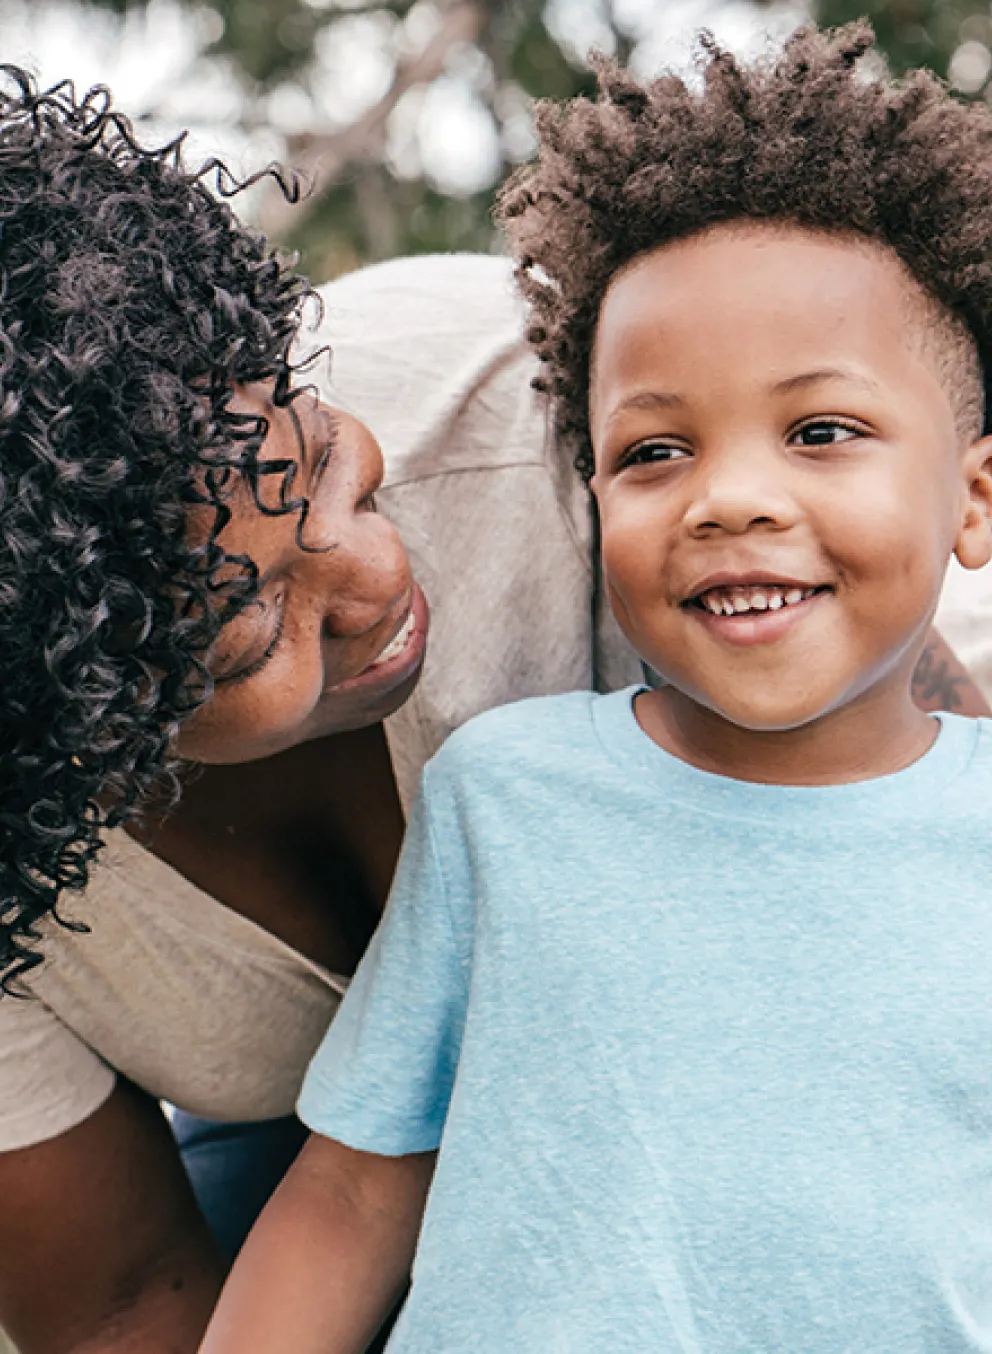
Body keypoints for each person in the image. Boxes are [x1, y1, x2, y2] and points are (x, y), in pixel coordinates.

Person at [0, 45, 988, 1354]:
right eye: (251, 638)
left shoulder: (537, 390)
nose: (377, 574)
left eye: (336, 472)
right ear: (79, 736)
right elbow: (270, 1227)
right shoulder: (510, 796)